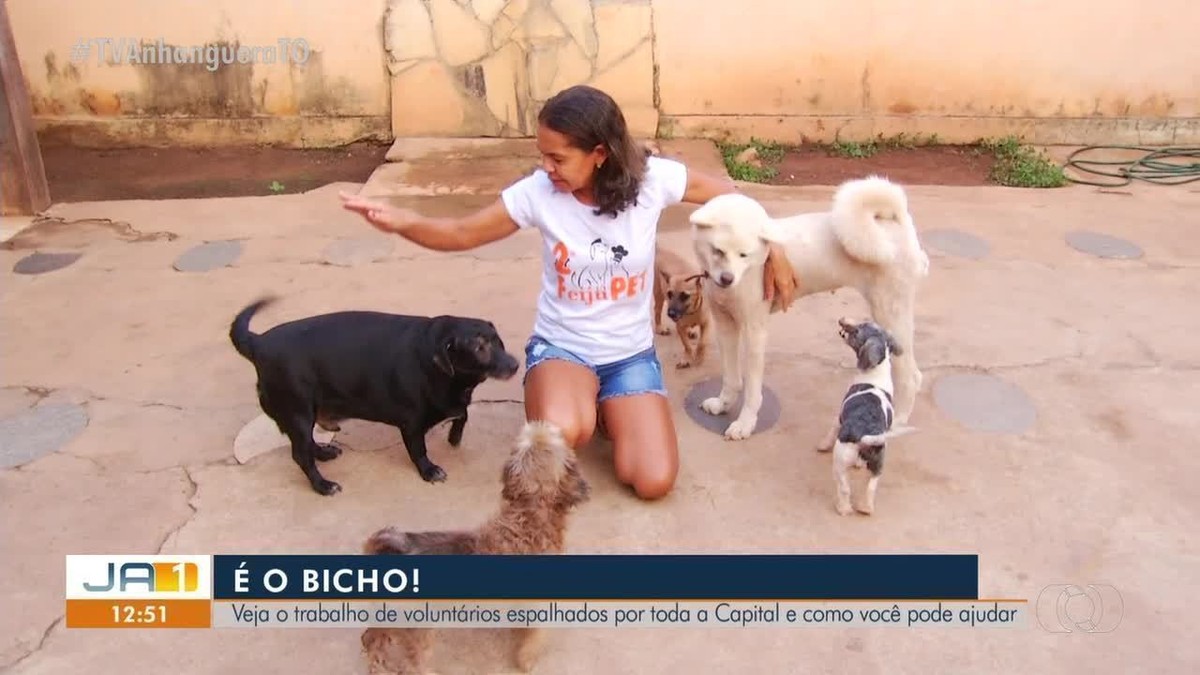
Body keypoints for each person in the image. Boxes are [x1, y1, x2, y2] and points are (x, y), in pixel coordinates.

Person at [340, 85, 797, 501]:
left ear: (599, 153)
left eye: (558, 158)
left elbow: (731, 197)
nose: (546, 168)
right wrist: (401, 221)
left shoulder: (653, 179)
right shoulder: (538, 193)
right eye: (543, 155)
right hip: (564, 348)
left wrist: (774, 246)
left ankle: (606, 405)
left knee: (653, 480)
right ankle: (567, 394)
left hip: (630, 356)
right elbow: (461, 232)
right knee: (564, 436)